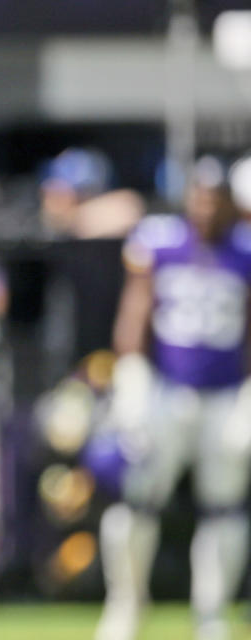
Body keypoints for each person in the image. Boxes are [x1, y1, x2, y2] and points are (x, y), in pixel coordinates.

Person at [94, 155, 251, 640]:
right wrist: (133, 371)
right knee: (135, 503)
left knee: (225, 505)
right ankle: (126, 604)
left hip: (225, 392)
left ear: (230, 204)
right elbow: (136, 309)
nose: (206, 208)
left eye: (215, 199)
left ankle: (211, 612)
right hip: (167, 388)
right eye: (199, 197)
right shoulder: (160, 243)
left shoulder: (244, 251)